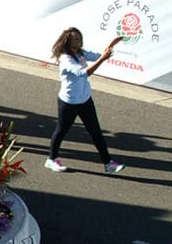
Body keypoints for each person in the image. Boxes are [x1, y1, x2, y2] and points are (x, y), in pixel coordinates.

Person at [44, 28, 126, 174]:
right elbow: (84, 73)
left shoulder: (81, 53)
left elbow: (98, 56)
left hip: (85, 100)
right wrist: (103, 58)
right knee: (62, 130)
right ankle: (51, 160)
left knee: (95, 132)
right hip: (69, 102)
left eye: (79, 38)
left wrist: (109, 49)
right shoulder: (65, 58)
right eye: (75, 39)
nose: (79, 41)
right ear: (68, 41)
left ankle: (108, 164)